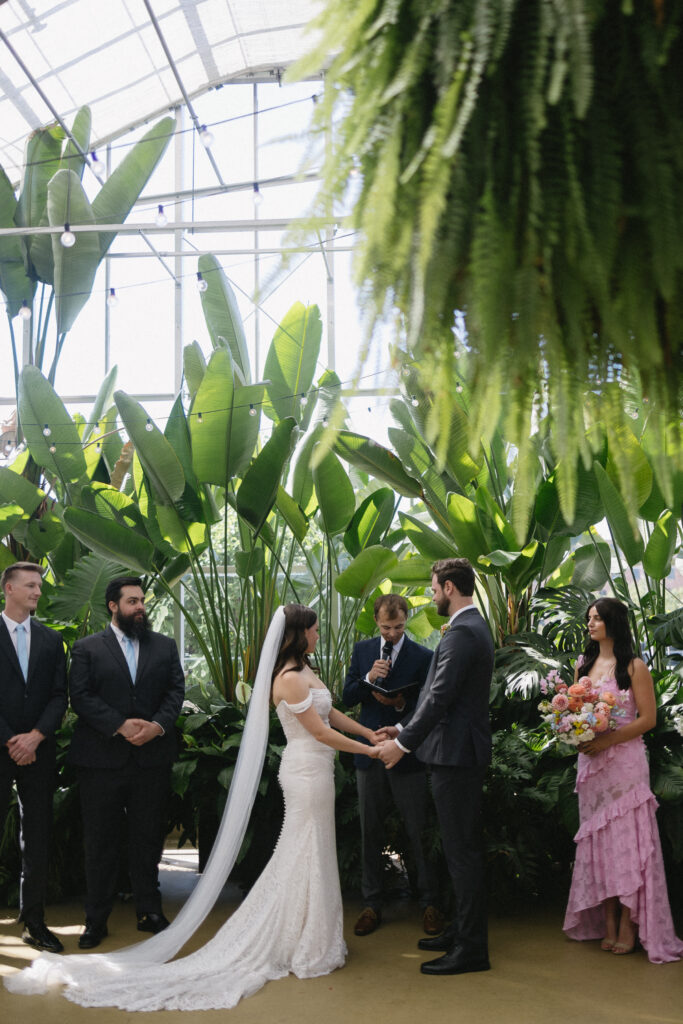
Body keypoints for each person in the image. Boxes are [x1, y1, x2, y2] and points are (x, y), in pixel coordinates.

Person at [5, 604, 382, 1010]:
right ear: (297, 634)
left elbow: (331, 712)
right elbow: (320, 731)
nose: (319, 635)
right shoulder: (288, 679)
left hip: (319, 773)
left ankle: (312, 932)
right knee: (302, 849)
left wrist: (368, 732)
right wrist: (371, 751)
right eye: (314, 629)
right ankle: (297, 937)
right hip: (305, 773)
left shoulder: (307, 671)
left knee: (314, 849)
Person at [376, 557, 494, 976]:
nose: (430, 594)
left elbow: (440, 697)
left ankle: (472, 949)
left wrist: (402, 745)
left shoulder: (464, 632)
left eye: (433, 587)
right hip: (452, 753)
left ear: (448, 587)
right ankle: (460, 932)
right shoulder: (466, 629)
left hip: (457, 756)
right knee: (458, 850)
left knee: (462, 854)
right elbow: (433, 696)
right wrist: (402, 726)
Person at [563, 597, 683, 963]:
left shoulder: (634, 666)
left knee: (627, 843)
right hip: (593, 770)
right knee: (601, 843)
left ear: (613, 623)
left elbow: (647, 720)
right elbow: (573, 714)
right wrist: (577, 737)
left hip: (625, 767)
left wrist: (606, 741)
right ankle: (609, 917)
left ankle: (630, 923)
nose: (590, 624)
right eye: (589, 619)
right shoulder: (582, 665)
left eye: (597, 618)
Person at [67, 576, 185, 948]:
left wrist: (157, 726)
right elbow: (80, 696)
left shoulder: (164, 646)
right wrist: (118, 725)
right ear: (113, 606)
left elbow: (175, 690)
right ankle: (95, 919)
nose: (141, 607)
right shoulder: (87, 648)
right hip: (101, 761)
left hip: (150, 759)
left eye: (142, 601)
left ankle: (149, 910)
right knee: (99, 841)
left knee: (148, 838)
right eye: (132, 601)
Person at [342, 593, 441, 936]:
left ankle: (429, 902)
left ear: (406, 621)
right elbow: (346, 696)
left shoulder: (424, 656)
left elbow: (428, 703)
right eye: (386, 627)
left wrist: (400, 710)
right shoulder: (362, 651)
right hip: (369, 751)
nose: (392, 634)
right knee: (371, 831)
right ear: (376, 622)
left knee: (418, 830)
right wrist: (369, 679)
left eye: (399, 627)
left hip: (407, 753)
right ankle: (371, 905)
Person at [0, 562, 67, 954]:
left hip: (39, 752)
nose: (38, 591)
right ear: (8, 588)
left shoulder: (50, 639)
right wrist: (12, 740)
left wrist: (36, 737)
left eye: (39, 586)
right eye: (30, 585)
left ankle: (34, 921)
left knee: (37, 836)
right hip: (3, 746)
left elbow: (59, 695)